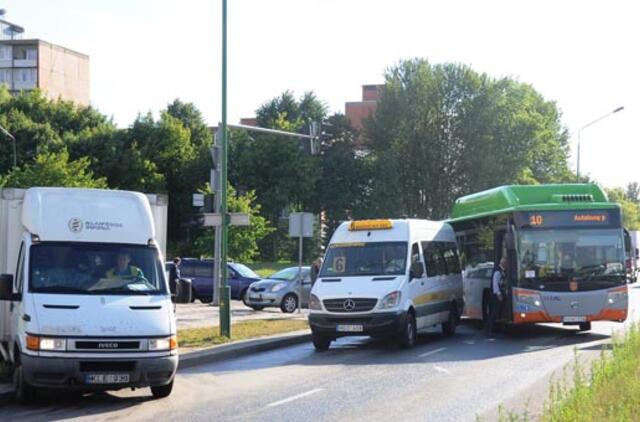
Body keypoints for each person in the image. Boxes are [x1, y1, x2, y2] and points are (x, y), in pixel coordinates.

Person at [486, 257, 507, 334]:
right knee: (494, 313)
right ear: (503, 263)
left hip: (498, 294)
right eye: (506, 263)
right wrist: (499, 294)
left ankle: (494, 329)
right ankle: (489, 330)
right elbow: (495, 284)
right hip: (495, 296)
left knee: (498, 312)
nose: (507, 265)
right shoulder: (497, 272)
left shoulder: (502, 271)